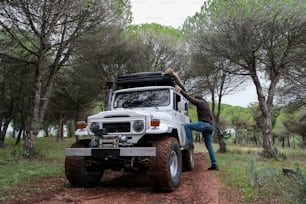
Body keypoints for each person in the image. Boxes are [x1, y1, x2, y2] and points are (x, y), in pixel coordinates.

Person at [175, 85, 219, 171]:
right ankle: (214, 164)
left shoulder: (200, 102)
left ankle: (190, 144)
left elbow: (190, 99)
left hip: (205, 125)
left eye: (196, 100)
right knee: (209, 145)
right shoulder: (205, 103)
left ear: (198, 99)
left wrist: (180, 91)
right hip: (210, 126)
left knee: (187, 126)